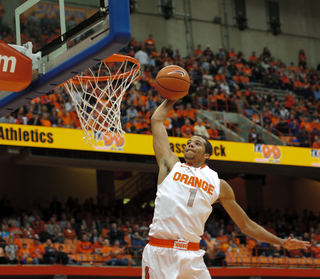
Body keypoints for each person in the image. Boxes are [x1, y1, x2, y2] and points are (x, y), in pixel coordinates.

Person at [142, 98, 311, 278]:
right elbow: (156, 121)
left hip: (191, 255)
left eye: (197, 143)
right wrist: (171, 98)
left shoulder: (219, 184)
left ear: (206, 155)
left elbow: (245, 225)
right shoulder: (170, 166)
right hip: (160, 251)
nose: (190, 144)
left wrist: (281, 242)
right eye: (189, 142)